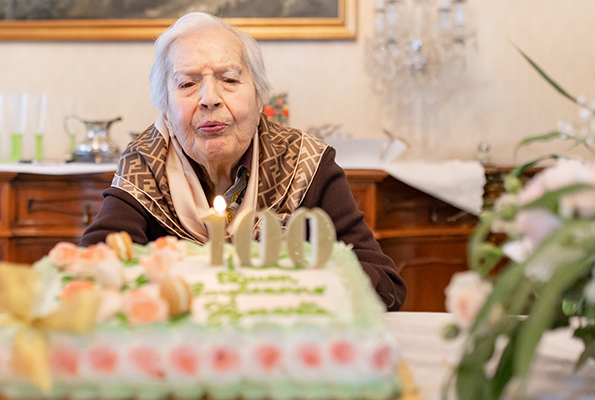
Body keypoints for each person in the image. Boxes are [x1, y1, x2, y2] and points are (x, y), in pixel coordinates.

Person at [80, 12, 406, 311]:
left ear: (260, 95)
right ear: (164, 106)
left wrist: (294, 281)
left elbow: (384, 286)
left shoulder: (306, 163)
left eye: (230, 80)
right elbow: (95, 266)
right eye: (187, 84)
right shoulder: (146, 162)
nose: (209, 98)